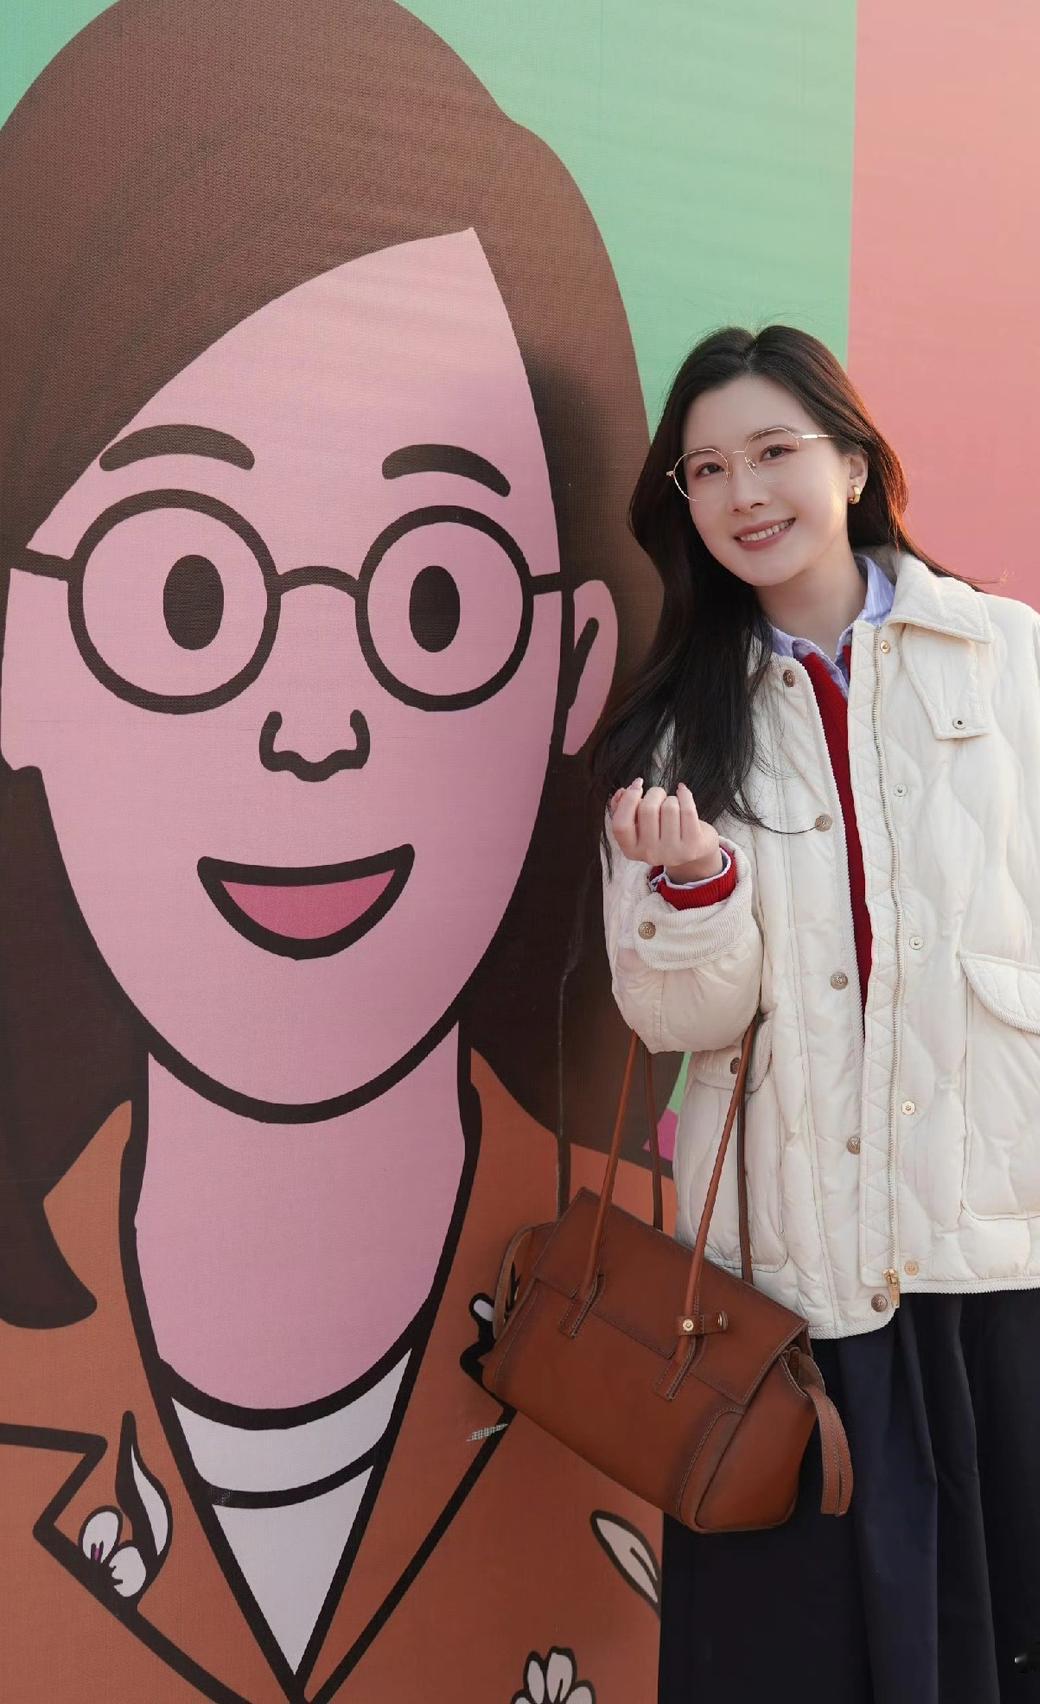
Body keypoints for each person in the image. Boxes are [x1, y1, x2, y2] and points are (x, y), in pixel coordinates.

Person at [0, 3, 671, 1698]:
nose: (316, 723)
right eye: (189, 594)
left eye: (434, 596)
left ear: (577, 665)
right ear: (17, 652)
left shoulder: (657, 1295)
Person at [591, 324, 1040, 1702]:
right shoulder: (678, 724)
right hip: (803, 1285)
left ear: (854, 465)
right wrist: (696, 889)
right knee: (817, 1663)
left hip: (1007, 1260)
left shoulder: (1007, 655)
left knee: (1035, 1646)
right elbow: (672, 1014)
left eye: (773, 452)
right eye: (705, 469)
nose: (744, 493)